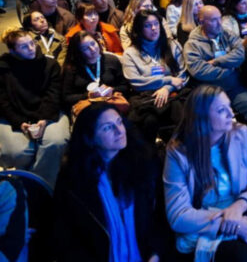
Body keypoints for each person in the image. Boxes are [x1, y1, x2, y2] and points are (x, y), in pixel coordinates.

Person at [164, 85, 247, 262]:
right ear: (202, 118)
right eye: (221, 110)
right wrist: (230, 223)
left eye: (229, 106)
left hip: (244, 212)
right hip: (205, 223)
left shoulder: (241, 133)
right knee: (241, 255)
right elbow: (178, 215)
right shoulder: (178, 152)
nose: (231, 113)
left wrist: (240, 206)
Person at [53, 103, 169, 262]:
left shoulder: (145, 163)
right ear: (89, 138)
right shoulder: (73, 178)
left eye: (119, 122)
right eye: (108, 128)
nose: (119, 131)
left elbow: (160, 218)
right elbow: (66, 238)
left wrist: (155, 254)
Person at [0, 28, 69, 186]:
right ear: (12, 50)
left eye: (32, 43)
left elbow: (53, 95)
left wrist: (43, 118)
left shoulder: (49, 64)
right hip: (15, 115)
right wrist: (19, 122)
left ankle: (39, 187)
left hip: (48, 112)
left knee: (55, 142)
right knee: (17, 152)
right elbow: (2, 101)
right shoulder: (3, 69)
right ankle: (23, 184)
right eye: (24, 47)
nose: (31, 48)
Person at [184, 5, 247, 135]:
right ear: (201, 22)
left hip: (234, 87)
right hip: (210, 91)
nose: (219, 23)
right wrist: (230, 69)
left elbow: (240, 55)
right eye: (213, 20)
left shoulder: (227, 33)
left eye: (219, 18)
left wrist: (217, 61)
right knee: (216, 122)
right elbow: (199, 70)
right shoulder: (192, 44)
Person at [122, 10, 189, 143]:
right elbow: (136, 82)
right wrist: (167, 80)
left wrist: (167, 88)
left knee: (184, 114)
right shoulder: (131, 53)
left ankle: (185, 153)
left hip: (174, 94)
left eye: (156, 24)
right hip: (147, 97)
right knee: (148, 121)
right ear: (139, 29)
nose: (154, 28)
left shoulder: (172, 45)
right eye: (147, 25)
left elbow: (183, 75)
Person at [61, 31, 129, 116]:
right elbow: (66, 97)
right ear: (78, 52)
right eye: (85, 48)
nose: (92, 49)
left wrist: (112, 89)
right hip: (87, 109)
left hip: (111, 105)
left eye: (93, 43)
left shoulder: (112, 60)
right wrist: (87, 95)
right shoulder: (72, 68)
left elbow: (125, 86)